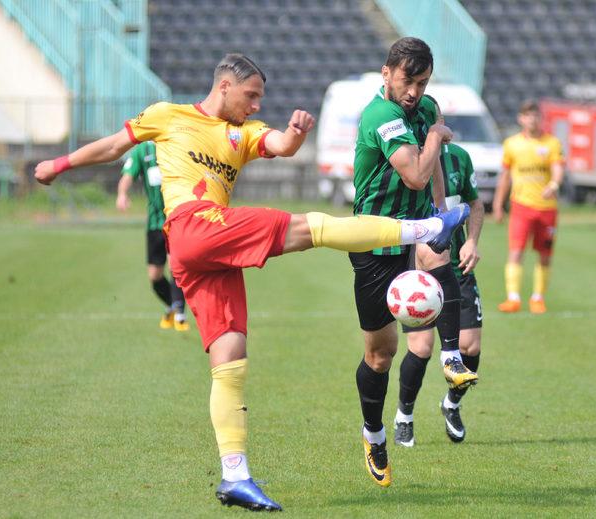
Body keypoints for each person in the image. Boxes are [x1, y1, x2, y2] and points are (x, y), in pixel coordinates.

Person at [34, 53, 469, 512]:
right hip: (194, 224)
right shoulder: (167, 116)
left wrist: (296, 135)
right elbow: (111, 146)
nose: (257, 105)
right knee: (313, 228)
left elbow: (280, 145)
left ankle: (234, 475)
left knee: (230, 357)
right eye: (252, 95)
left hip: (206, 258)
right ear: (225, 86)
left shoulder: (242, 134)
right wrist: (60, 165)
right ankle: (425, 229)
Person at [349, 37, 478, 488]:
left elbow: (434, 170)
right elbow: (416, 172)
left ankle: (450, 353)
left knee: (435, 247)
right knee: (381, 356)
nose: (415, 92)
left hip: (417, 228)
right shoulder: (380, 117)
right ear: (386, 73)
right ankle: (374, 433)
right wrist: (438, 134)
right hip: (374, 242)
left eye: (422, 83)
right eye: (408, 81)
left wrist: (441, 213)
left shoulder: (427, 108)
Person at [394, 135, 485, 448]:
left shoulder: (459, 156)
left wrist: (472, 241)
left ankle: (452, 404)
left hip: (457, 267)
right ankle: (404, 416)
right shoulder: (404, 158)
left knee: (470, 347)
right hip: (418, 270)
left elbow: (474, 203)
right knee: (421, 348)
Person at [493, 100, 565, 314]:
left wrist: (553, 184)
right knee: (516, 251)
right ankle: (513, 298)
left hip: (547, 208)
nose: (532, 119)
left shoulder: (552, 143)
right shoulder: (511, 144)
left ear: (540, 119)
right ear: (521, 118)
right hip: (521, 206)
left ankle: (538, 298)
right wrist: (498, 204)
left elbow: (558, 169)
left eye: (536, 115)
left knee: (545, 254)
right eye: (528, 115)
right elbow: (505, 176)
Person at [116, 141, 190, 331]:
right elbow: (128, 174)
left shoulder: (176, 143)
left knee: (175, 266)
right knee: (155, 276)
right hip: (154, 222)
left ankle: (180, 314)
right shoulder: (142, 150)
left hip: (175, 219)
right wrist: (122, 193)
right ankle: (172, 306)